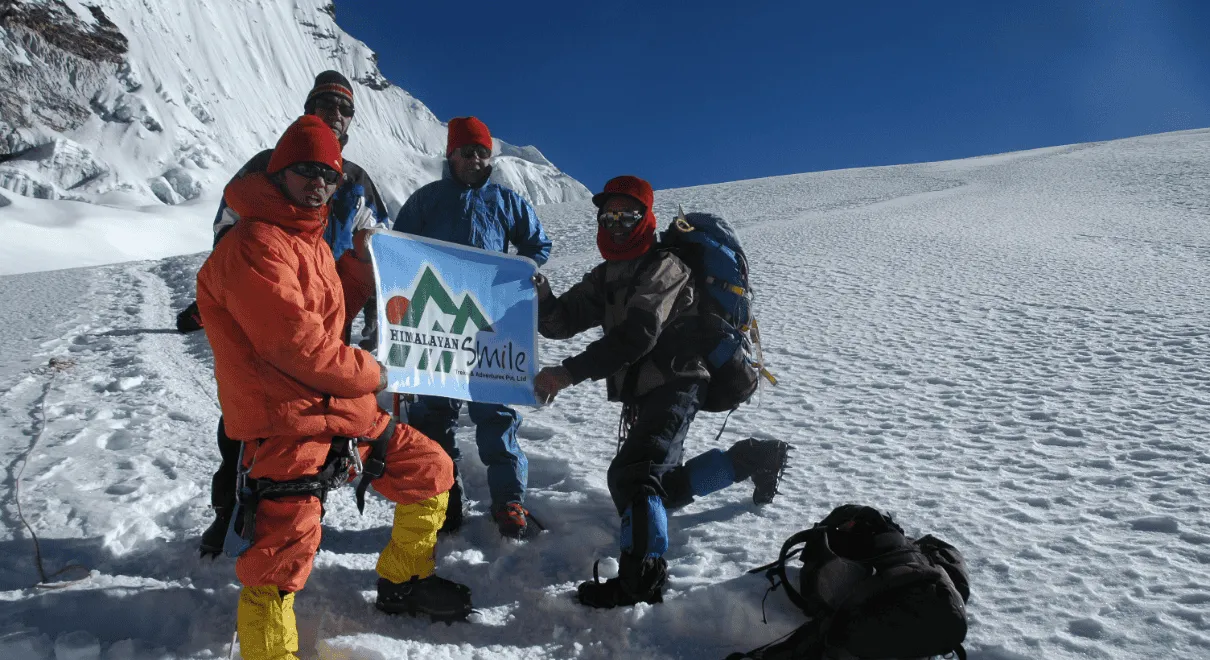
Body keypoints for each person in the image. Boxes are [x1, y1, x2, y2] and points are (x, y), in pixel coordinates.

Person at [196, 115, 472, 660]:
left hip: (340, 410)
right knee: (283, 555)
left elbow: (328, 312)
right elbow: (296, 344)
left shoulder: (310, 240)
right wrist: (376, 372)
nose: (319, 181)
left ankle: (403, 582)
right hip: (285, 422)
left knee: (432, 468)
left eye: (329, 173)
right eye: (306, 170)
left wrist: (359, 264)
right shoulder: (252, 241)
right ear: (278, 173)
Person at [531, 175, 790, 609]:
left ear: (646, 216)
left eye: (628, 214)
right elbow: (558, 322)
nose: (616, 223)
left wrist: (568, 373)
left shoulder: (666, 265)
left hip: (678, 379)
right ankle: (752, 459)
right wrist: (541, 295)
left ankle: (642, 582)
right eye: (609, 214)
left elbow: (638, 334)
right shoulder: (607, 275)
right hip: (645, 388)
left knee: (635, 476)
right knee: (659, 486)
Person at [193, 71, 389, 557]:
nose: (334, 115)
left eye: (344, 109)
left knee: (321, 428)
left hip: (333, 309)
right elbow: (229, 235)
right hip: (268, 312)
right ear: (308, 106)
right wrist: (239, 297)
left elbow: (382, 247)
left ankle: (298, 515)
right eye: (326, 104)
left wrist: (364, 300)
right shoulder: (267, 165)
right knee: (251, 423)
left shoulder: (357, 181)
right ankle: (233, 516)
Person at [392, 116, 552, 539]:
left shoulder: (506, 201)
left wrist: (520, 272)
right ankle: (442, 498)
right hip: (437, 322)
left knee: (495, 412)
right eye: (467, 152)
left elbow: (537, 244)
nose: (475, 159)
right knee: (432, 417)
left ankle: (509, 502)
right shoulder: (427, 200)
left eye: (482, 152)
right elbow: (398, 251)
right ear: (451, 155)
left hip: (490, 324)